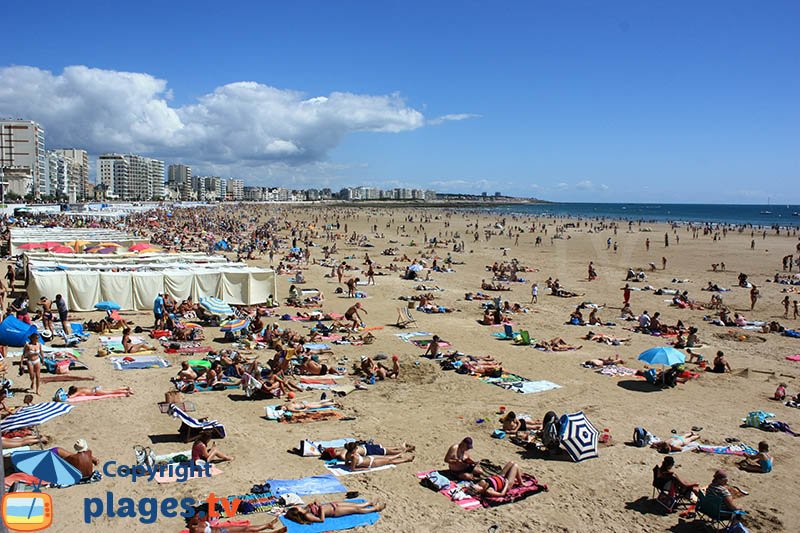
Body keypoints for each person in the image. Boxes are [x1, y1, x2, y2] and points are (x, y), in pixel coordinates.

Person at [284, 500, 385, 524]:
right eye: (296, 507)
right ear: (297, 511)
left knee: (354, 505)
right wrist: (321, 508)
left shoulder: (305, 509)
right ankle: (375, 509)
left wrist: (315, 503)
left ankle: (369, 503)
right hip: (334, 511)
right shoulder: (307, 516)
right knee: (355, 510)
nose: (297, 506)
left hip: (332, 505)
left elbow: (316, 506)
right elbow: (321, 519)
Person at [344, 441, 414, 470]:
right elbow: (353, 469)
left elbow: (346, 463)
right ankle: (406, 459)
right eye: (356, 448)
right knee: (389, 461)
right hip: (371, 463)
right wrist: (363, 468)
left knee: (387, 458)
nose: (357, 448)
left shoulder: (348, 454)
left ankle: (399, 455)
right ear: (353, 450)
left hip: (369, 458)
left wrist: (351, 463)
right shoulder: (354, 457)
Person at [67, 385, 134, 398]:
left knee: (111, 392)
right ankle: (126, 388)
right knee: (112, 389)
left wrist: (68, 396)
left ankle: (126, 392)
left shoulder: (79, 391)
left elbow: (73, 396)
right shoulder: (81, 387)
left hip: (96, 391)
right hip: (96, 388)